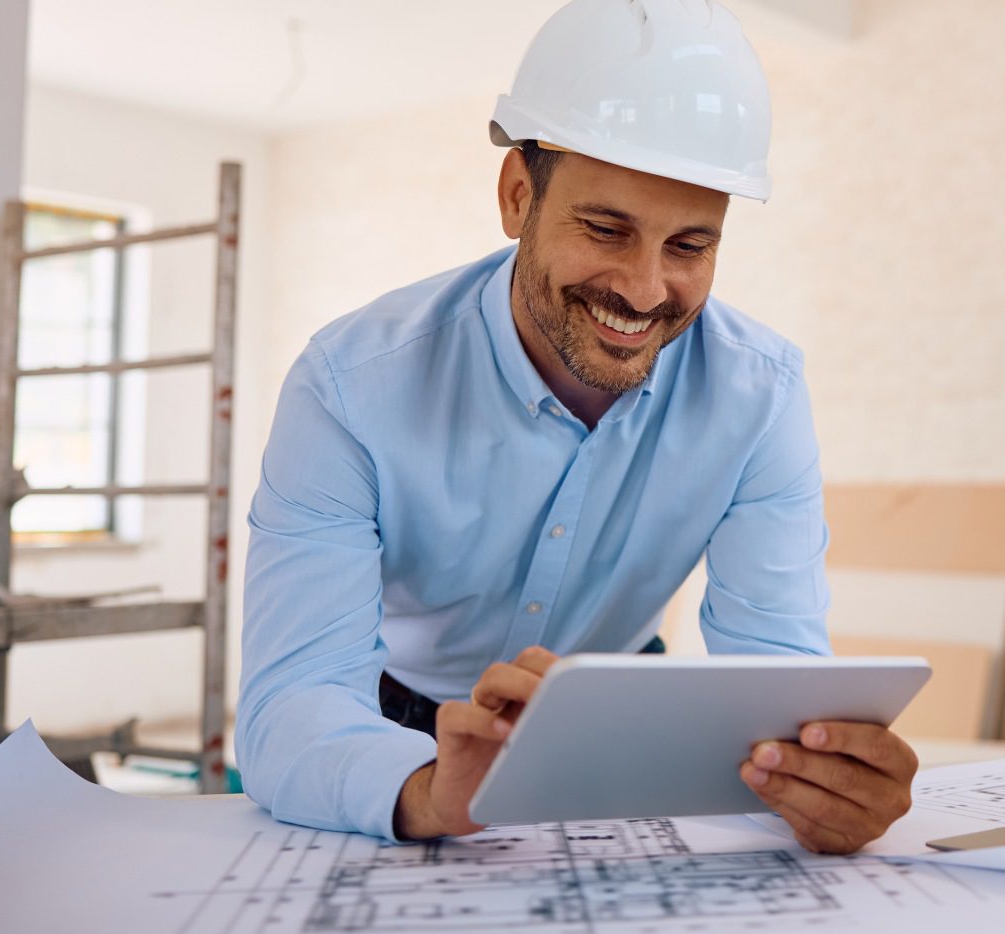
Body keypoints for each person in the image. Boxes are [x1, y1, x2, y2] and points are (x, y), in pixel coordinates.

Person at [235, 0, 915, 853]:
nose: (643, 289)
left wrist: (823, 783)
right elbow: (289, 704)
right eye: (606, 229)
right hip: (400, 735)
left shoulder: (761, 395)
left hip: (630, 716)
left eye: (690, 246)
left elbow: (780, 672)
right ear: (518, 195)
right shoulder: (349, 387)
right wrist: (429, 792)